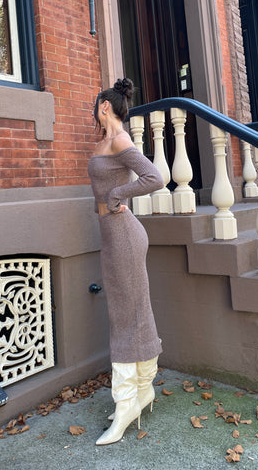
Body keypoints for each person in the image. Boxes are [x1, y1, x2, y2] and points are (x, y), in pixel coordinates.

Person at [87, 78, 164, 446]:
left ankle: (126, 403)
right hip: (112, 234)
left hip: (124, 235)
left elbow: (155, 177)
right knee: (129, 312)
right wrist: (108, 202)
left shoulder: (120, 140)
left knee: (126, 316)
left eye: (96, 106)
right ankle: (142, 391)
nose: (94, 111)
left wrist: (118, 194)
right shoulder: (103, 143)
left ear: (105, 106)